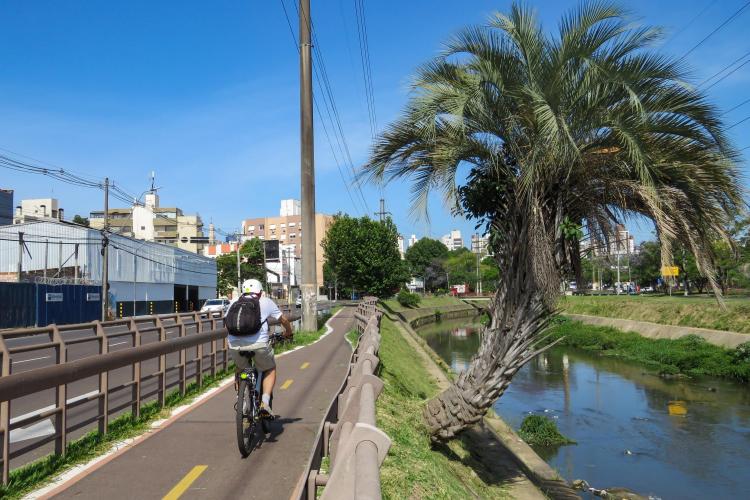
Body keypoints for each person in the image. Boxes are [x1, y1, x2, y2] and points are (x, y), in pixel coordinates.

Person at [226, 279, 293, 417]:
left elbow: (227, 322)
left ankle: (242, 402)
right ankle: (265, 403)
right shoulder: (265, 301)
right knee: (269, 368)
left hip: (234, 344)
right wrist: (288, 333)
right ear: (260, 292)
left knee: (240, 368)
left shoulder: (233, 302)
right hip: (259, 345)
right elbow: (283, 320)